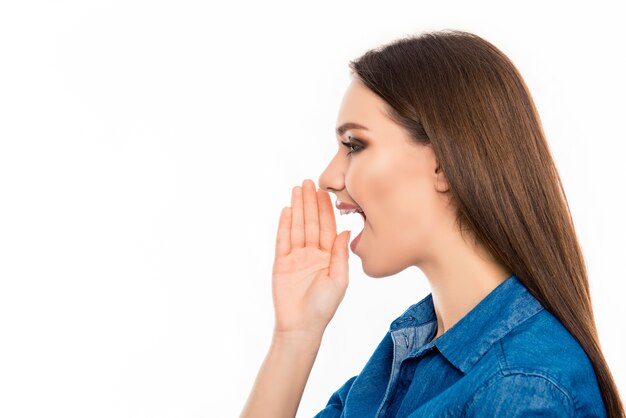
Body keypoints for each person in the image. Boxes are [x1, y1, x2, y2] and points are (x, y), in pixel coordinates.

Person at [239, 30, 624, 418]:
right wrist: (295, 336)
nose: (329, 177)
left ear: (443, 163)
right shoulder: (410, 351)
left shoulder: (522, 386)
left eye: (354, 145)